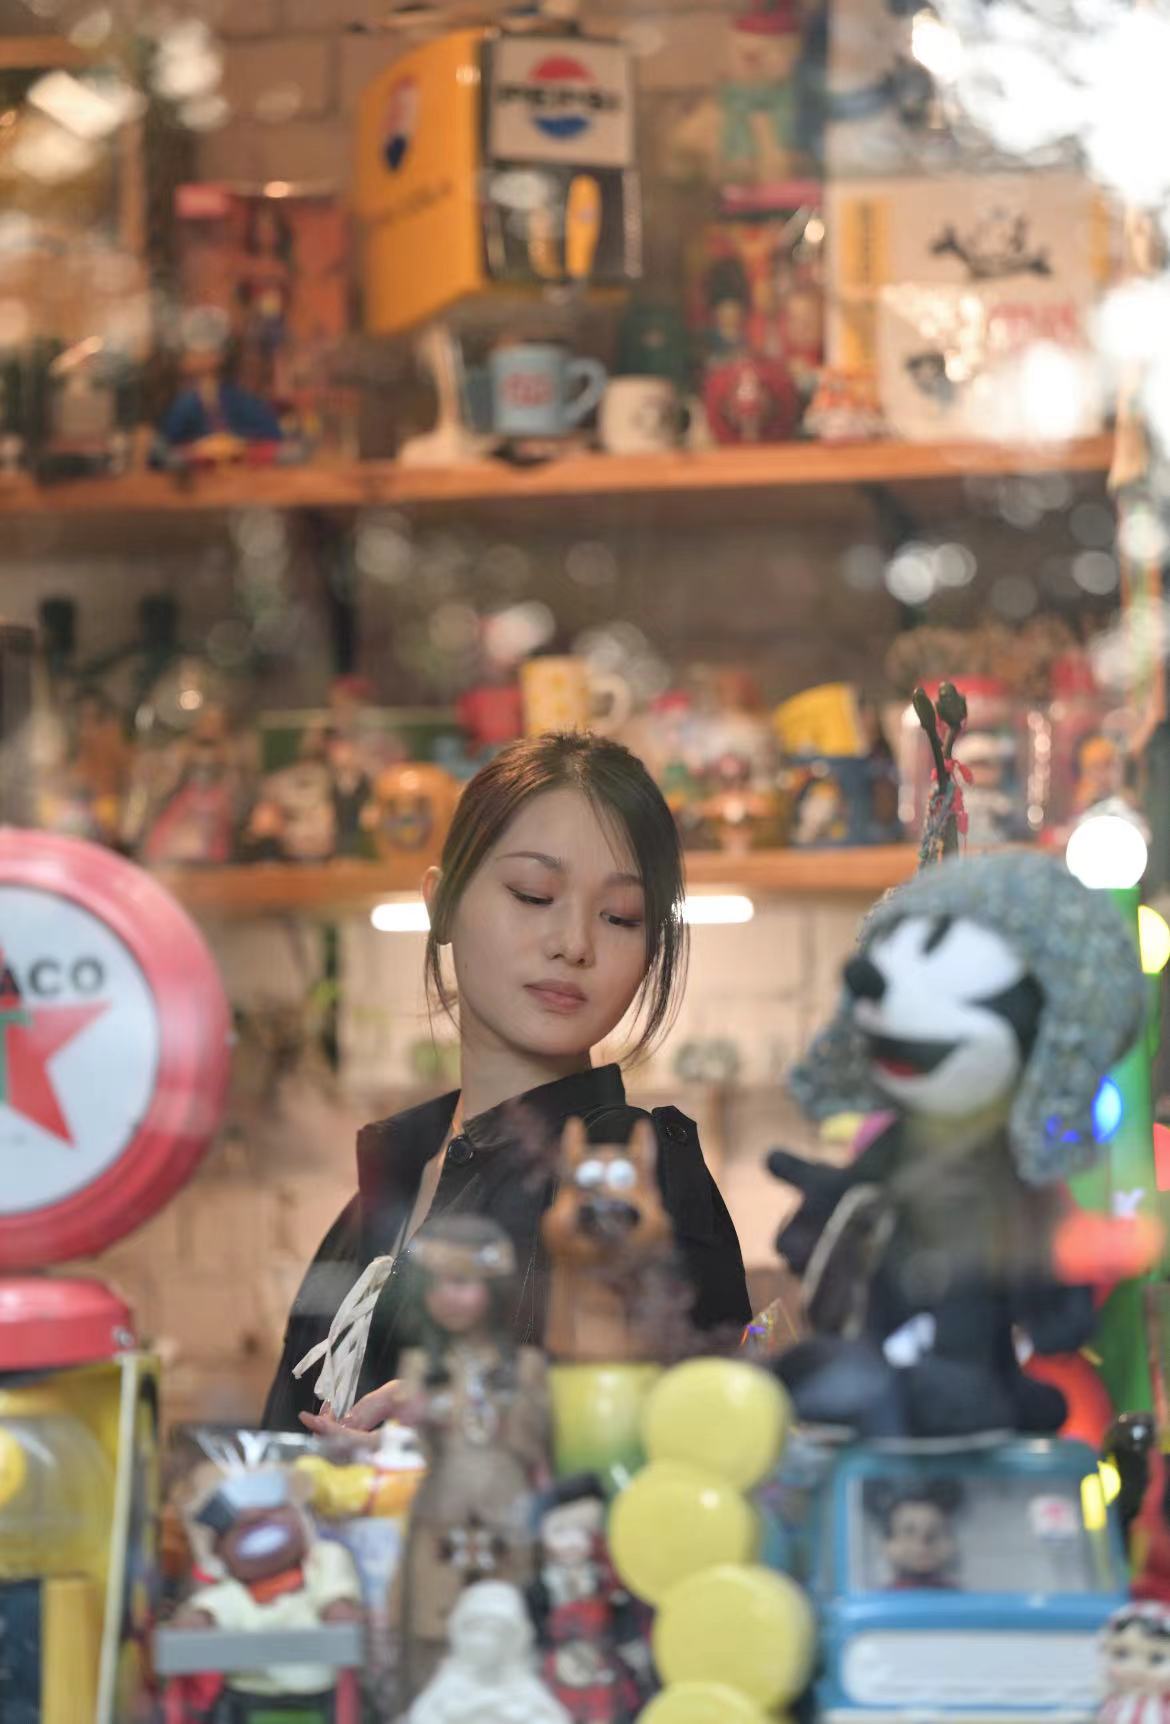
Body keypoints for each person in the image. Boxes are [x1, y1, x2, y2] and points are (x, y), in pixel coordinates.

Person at [262, 731, 751, 1435]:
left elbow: (709, 1435)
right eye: (533, 895)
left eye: (621, 917)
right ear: (442, 905)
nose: (574, 943)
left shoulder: (638, 1182)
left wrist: (475, 1417)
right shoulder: (386, 1184)